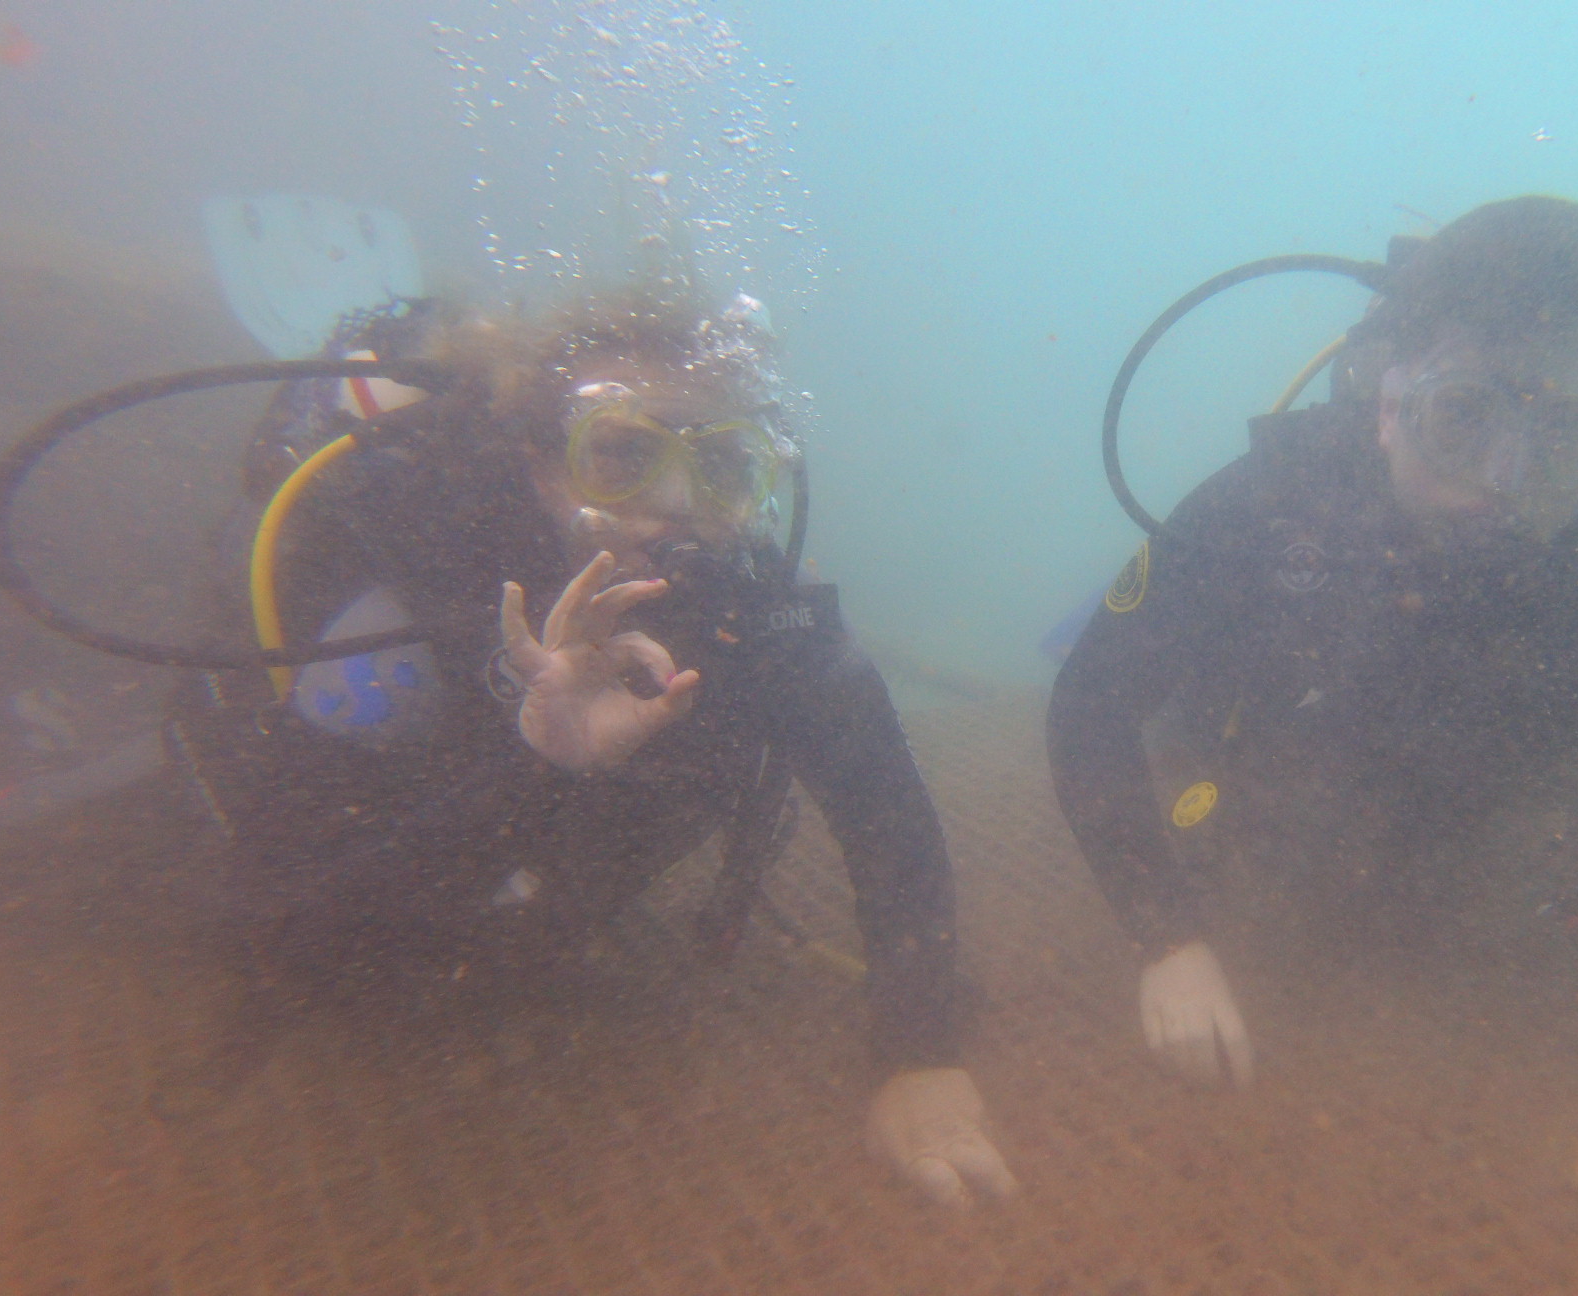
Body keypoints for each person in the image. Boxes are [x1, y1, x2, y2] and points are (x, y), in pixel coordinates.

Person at [1047, 196, 1578, 1255]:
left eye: (1564, 427)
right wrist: (1168, 936)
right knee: (1247, 818)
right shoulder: (1273, 503)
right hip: (1295, 819)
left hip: (1524, 888)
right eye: (1463, 415)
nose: (1505, 481)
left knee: (1522, 916)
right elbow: (1089, 706)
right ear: (1388, 397)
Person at [160, 287, 1017, 1209]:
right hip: (370, 907)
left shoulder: (759, 613)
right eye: (622, 454)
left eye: (720, 466)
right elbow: (275, 926)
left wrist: (919, 1053)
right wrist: (536, 762)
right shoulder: (417, 600)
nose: (674, 508)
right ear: (541, 462)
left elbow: (890, 819)